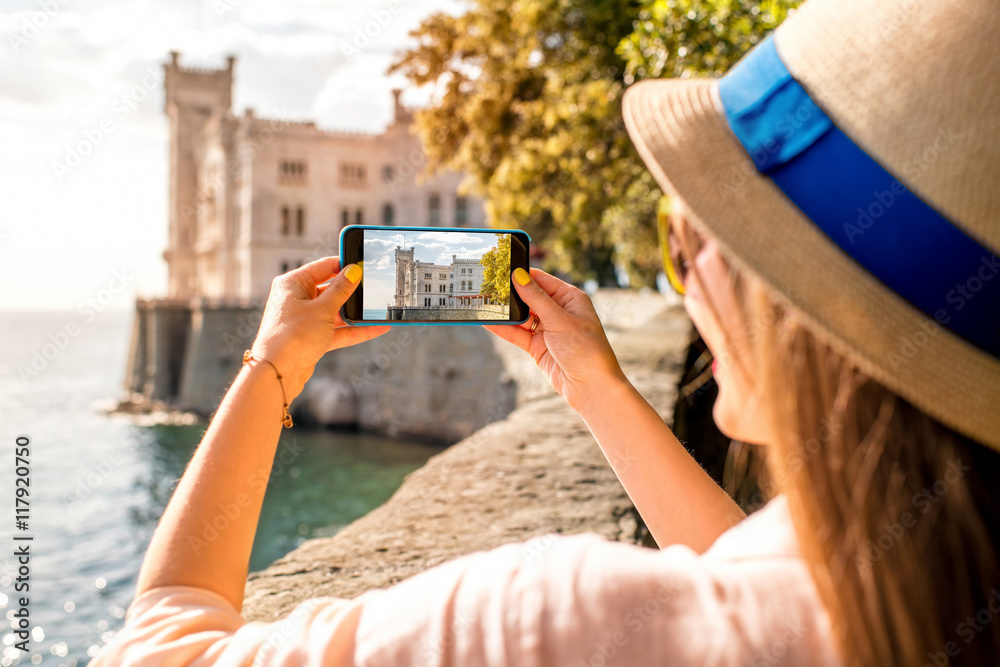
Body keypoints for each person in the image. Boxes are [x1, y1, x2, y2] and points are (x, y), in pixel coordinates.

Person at [92, 0, 1000, 664]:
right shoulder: (918, 585)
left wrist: (270, 367)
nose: (685, 274)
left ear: (798, 308)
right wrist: (597, 388)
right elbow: (749, 568)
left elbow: (164, 643)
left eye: (691, 238)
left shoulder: (556, 623)